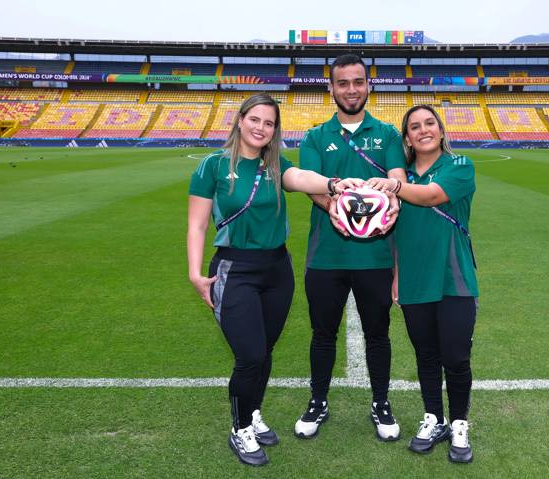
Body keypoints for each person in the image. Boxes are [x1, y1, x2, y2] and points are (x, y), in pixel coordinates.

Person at [187, 93, 360, 466]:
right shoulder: (211, 166)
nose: (261, 128)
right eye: (255, 120)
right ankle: (240, 428)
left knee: (264, 352)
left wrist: (332, 183)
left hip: (277, 270)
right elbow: (197, 223)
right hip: (235, 270)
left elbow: (299, 177)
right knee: (249, 355)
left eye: (269, 123)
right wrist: (195, 274)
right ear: (240, 120)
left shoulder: (275, 164)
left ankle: (252, 413)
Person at [294, 53, 407, 442]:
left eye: (358, 81)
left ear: (368, 85)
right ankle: (318, 401)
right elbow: (311, 185)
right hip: (326, 256)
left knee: (379, 333)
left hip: (376, 256)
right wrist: (343, 208)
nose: (351, 89)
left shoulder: (389, 134)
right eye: (342, 83)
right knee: (322, 333)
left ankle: (381, 403)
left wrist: (389, 190)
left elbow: (396, 175)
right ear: (331, 88)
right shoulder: (314, 136)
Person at [368, 104, 479, 463]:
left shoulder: (460, 166)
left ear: (441, 131)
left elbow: (432, 196)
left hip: (454, 277)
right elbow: (398, 235)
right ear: (408, 139)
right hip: (415, 280)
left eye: (429, 123)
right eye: (414, 127)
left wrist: (395, 186)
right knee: (426, 356)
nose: (423, 130)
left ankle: (460, 423)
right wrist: (398, 275)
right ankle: (435, 418)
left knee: (456, 357)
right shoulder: (401, 178)